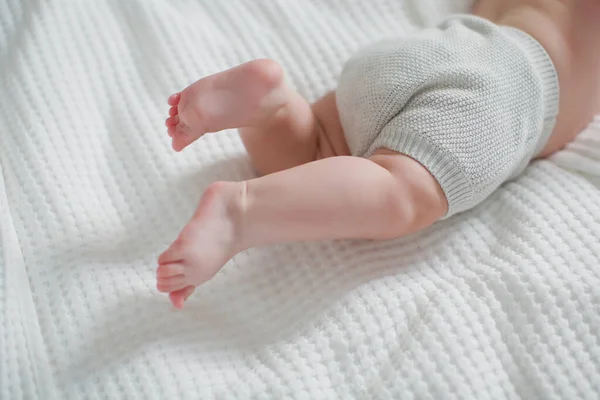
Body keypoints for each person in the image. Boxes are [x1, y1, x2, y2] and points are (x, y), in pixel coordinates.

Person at [156, 0, 600, 309]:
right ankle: (241, 213)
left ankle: (270, 108)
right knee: (398, 192)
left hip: (426, 49)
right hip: (508, 89)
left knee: (320, 152)